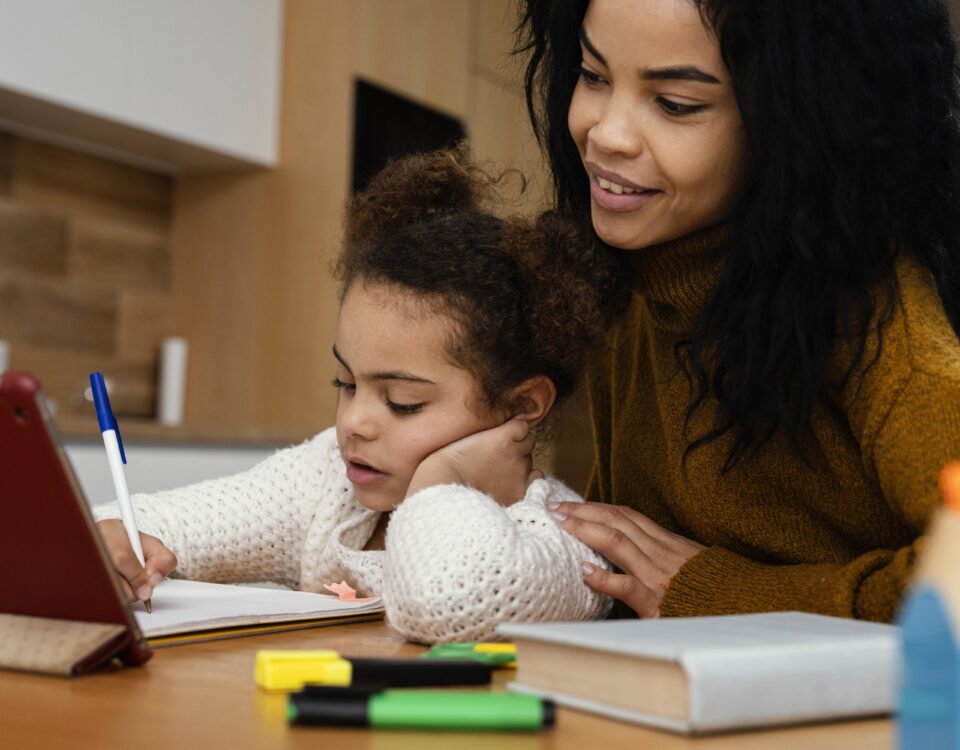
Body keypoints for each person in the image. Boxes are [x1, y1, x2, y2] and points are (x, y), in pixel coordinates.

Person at [492, 0, 960, 622]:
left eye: (676, 104)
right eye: (593, 75)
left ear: (793, 121)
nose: (607, 133)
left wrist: (719, 595)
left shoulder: (881, 327)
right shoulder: (624, 278)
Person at [94, 147, 626, 643]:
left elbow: (448, 599)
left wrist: (441, 481)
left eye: (402, 402)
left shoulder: (566, 540)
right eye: (346, 384)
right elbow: (166, 524)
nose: (354, 423)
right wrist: (120, 537)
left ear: (522, 405)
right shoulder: (330, 480)